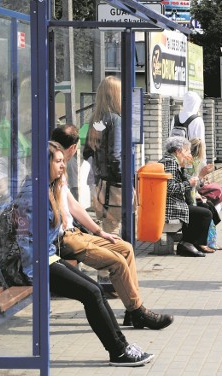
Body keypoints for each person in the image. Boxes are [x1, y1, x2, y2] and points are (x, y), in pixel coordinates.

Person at [16, 141, 154, 366]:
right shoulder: (34, 193)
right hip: (35, 263)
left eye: (63, 161)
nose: (63, 166)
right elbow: (27, 240)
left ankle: (122, 347)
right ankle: (118, 352)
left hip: (47, 257)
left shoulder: (48, 187)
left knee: (96, 290)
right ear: (44, 163)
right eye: (58, 162)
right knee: (90, 292)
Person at [51, 124, 173, 330]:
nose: (63, 163)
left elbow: (74, 206)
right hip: (64, 239)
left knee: (125, 248)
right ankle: (138, 312)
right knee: (116, 262)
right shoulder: (50, 172)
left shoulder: (59, 171)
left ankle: (133, 311)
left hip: (75, 234)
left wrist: (100, 232)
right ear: (72, 148)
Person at [159, 136, 214, 257]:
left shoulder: (174, 162)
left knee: (204, 207)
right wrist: (189, 183)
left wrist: (185, 167)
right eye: (187, 151)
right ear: (178, 151)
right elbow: (170, 188)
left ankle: (189, 243)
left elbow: (180, 182)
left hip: (175, 203)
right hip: (170, 206)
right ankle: (189, 243)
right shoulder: (170, 162)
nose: (189, 154)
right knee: (205, 213)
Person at [84, 76, 124, 235]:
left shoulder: (95, 119)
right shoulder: (116, 120)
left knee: (108, 225)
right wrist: (124, 179)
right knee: (114, 228)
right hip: (114, 184)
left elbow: (87, 152)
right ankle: (113, 258)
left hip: (98, 182)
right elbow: (116, 155)